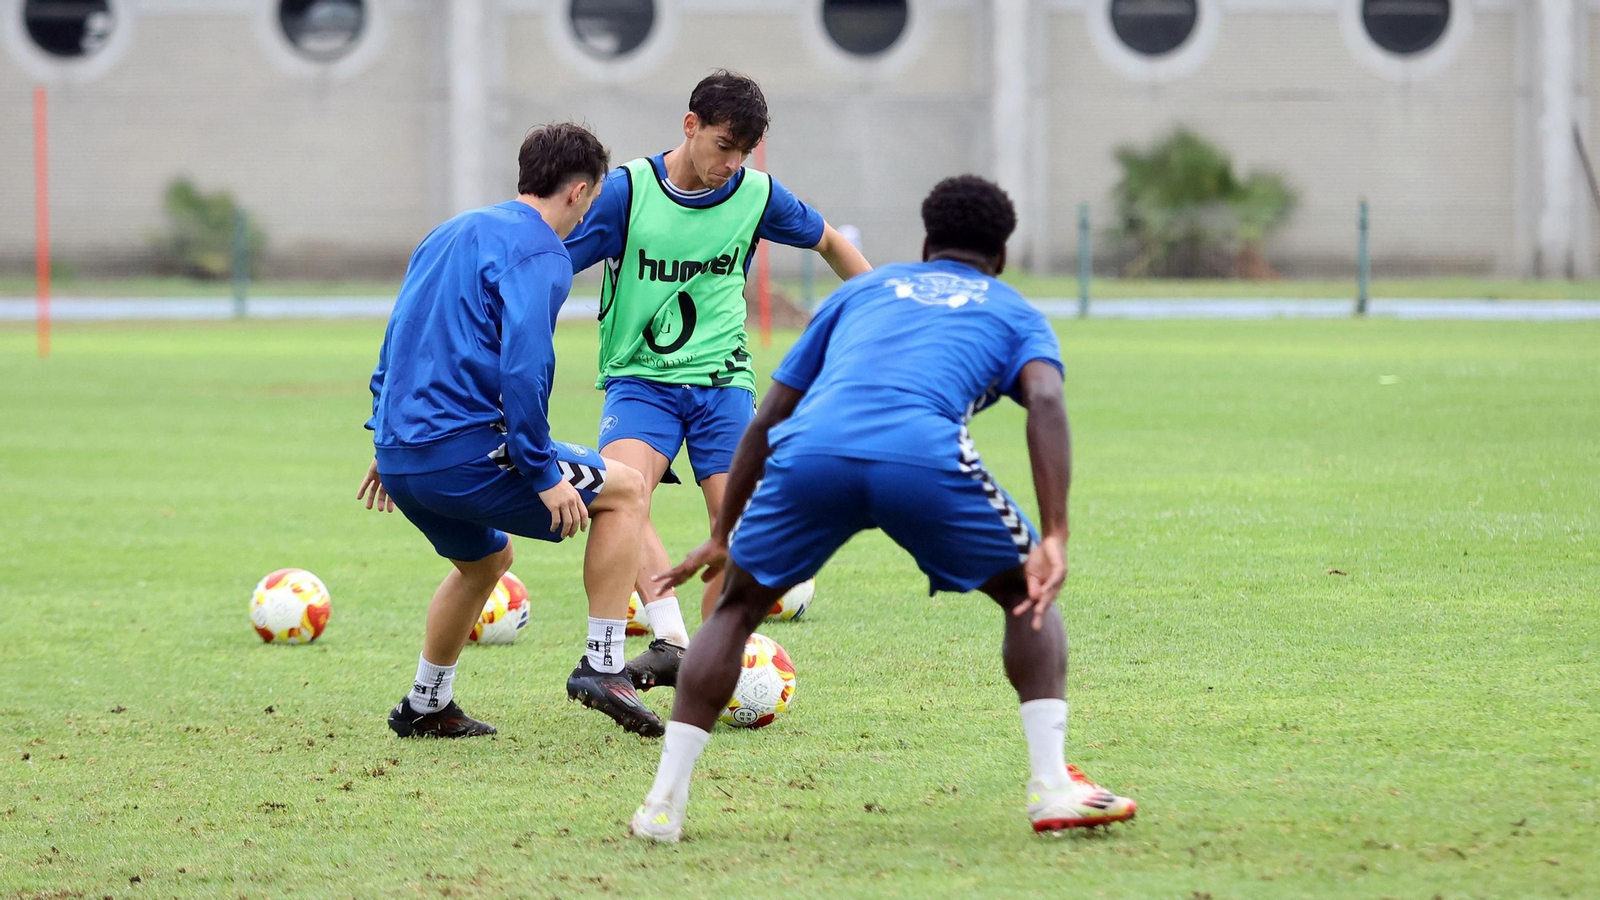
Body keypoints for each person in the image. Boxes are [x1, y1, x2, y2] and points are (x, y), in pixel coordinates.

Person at [628, 176, 1137, 841]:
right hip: (920, 458)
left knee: (736, 610)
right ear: (1003, 256)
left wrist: (724, 532)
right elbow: (1044, 402)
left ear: (926, 244)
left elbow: (770, 416)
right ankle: (1049, 786)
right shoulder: (1013, 311)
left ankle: (663, 805)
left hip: (811, 454)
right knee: (1026, 596)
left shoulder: (863, 292)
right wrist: (1058, 534)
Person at [563, 71, 872, 688]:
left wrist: (883, 313)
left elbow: (831, 242)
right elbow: (554, 263)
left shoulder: (755, 195)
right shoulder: (627, 191)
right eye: (722, 146)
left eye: (743, 153)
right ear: (690, 126)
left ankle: (717, 652)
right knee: (621, 497)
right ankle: (672, 638)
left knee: (742, 534)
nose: (730, 164)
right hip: (640, 380)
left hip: (723, 384)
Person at [359, 122, 667, 739]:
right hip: (466, 450)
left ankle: (426, 704)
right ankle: (604, 666)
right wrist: (542, 471)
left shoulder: (449, 233)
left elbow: (399, 336)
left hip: (402, 452)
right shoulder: (542, 253)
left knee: (487, 558)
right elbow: (524, 368)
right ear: (580, 192)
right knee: (627, 488)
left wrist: (385, 436)